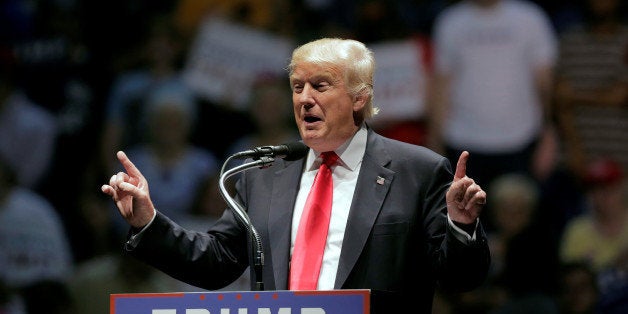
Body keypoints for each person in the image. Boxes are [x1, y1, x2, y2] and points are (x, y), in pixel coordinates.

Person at [101, 37, 490, 313]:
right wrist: (147, 220)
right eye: (297, 87)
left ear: (359, 97)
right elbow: (216, 261)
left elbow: (461, 279)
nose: (305, 98)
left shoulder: (417, 171)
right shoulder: (264, 175)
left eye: (320, 86)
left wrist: (460, 226)